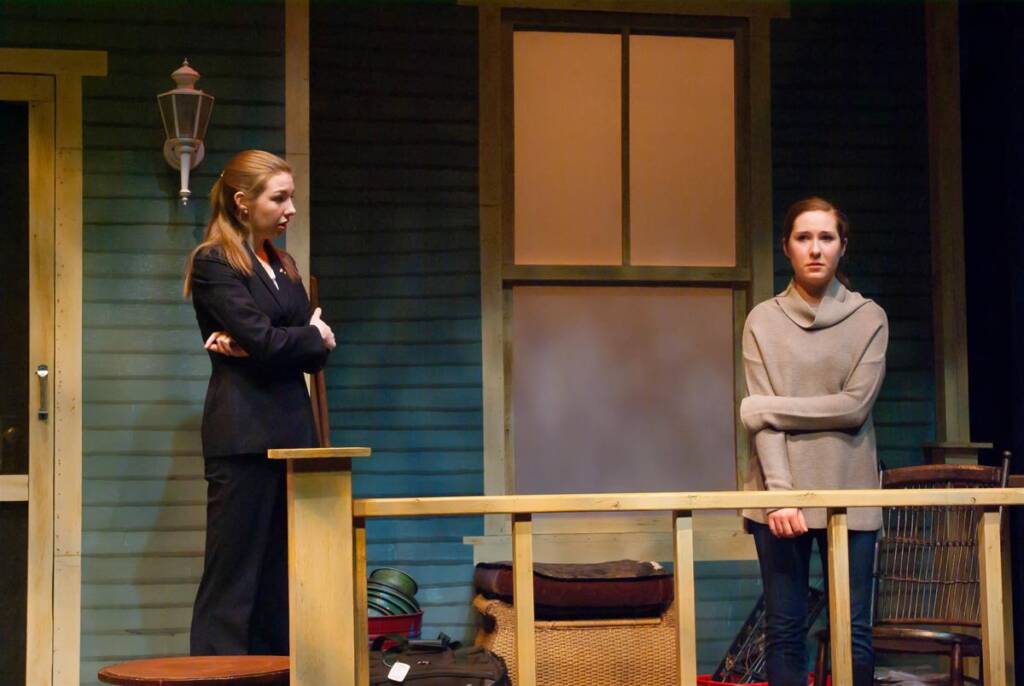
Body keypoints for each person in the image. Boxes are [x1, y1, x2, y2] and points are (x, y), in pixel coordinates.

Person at [183, 150, 336, 655]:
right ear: (243, 202)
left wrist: (287, 340)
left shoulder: (283, 263)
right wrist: (301, 337)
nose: (291, 208)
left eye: (291, 196)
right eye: (280, 197)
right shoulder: (213, 261)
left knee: (279, 580)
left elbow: (306, 354)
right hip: (243, 439)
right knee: (233, 581)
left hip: (293, 435)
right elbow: (275, 342)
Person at [740, 197, 888, 686]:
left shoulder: (869, 318)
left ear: (843, 246)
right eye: (804, 238)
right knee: (784, 632)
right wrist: (780, 492)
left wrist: (769, 406)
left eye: (826, 237)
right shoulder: (763, 320)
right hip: (780, 497)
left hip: (851, 488)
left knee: (854, 634)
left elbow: (854, 407)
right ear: (787, 247)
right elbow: (766, 426)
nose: (816, 249)